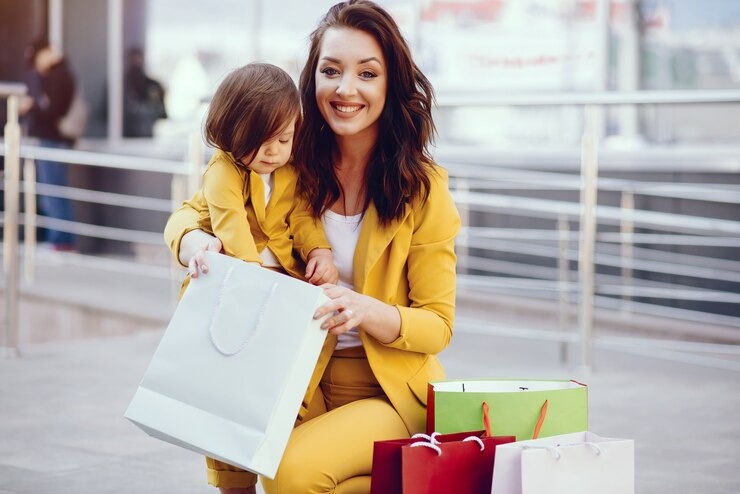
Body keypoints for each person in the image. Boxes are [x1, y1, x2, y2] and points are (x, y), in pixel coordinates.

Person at [163, 1, 460, 492]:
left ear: (391, 83)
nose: (346, 89)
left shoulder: (422, 189)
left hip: (383, 391)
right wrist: (196, 242)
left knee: (290, 474)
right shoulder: (281, 153)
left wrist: (365, 309)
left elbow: (438, 325)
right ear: (312, 79)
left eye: (367, 73)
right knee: (248, 465)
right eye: (331, 70)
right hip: (290, 371)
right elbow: (188, 216)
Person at [172, 62, 338, 289]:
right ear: (232, 132)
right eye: (261, 141)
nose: (273, 151)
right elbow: (231, 223)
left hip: (283, 275)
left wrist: (319, 252)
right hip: (237, 275)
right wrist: (252, 273)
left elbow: (301, 216)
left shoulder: (289, 169)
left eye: (284, 139)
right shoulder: (224, 170)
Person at [20, 37, 77, 251]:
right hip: (52, 141)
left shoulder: (58, 75)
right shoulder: (58, 74)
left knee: (53, 192)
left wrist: (32, 107)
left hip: (52, 142)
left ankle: (61, 241)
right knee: (52, 192)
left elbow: (54, 111)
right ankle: (60, 240)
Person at [123, 47, 167, 137]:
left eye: (138, 60)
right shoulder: (119, 87)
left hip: (147, 137)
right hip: (125, 137)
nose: (136, 64)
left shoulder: (153, 86)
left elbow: (161, 112)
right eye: (133, 61)